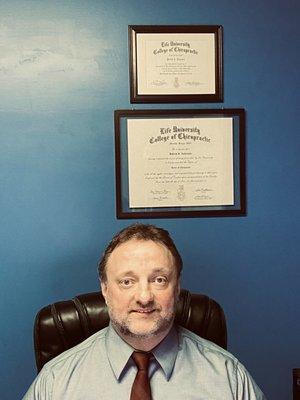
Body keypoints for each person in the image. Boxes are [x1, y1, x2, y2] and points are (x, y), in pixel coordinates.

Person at [23, 223, 266, 399]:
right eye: (127, 281)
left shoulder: (228, 377)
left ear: (177, 288)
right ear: (105, 290)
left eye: (159, 279)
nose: (144, 297)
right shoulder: (55, 381)